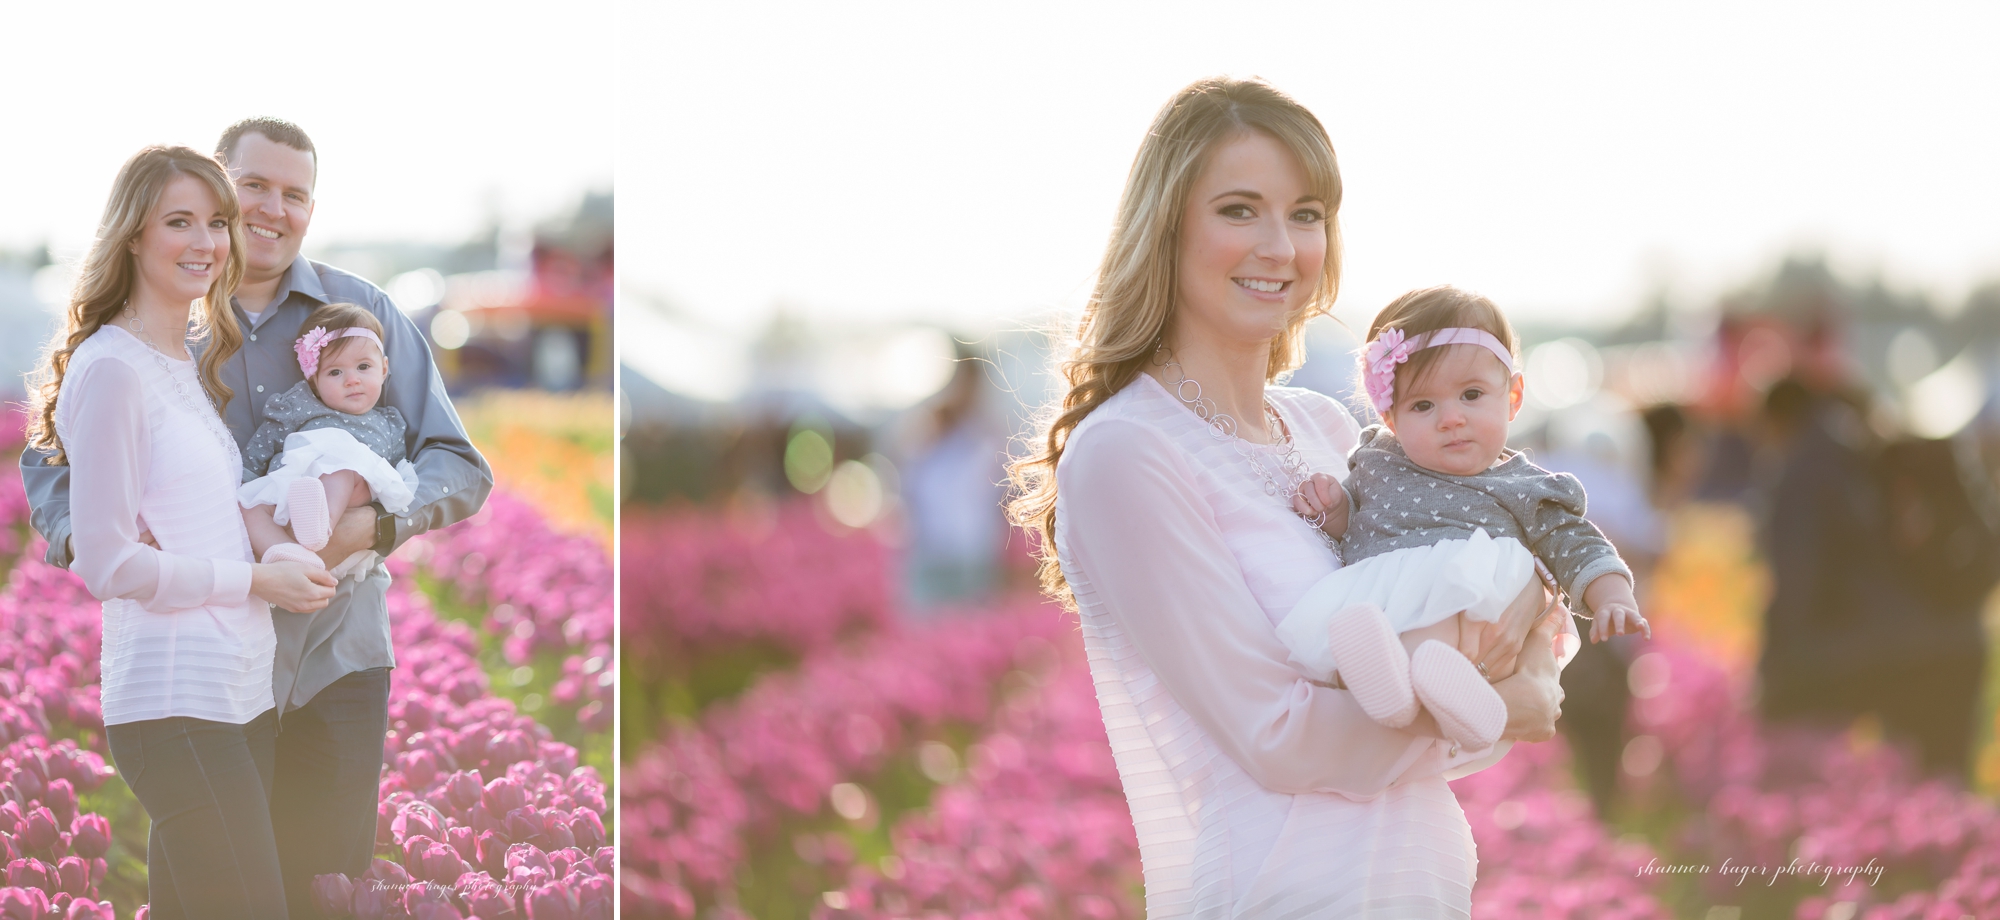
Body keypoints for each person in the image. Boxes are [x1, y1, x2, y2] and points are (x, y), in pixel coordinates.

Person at [1008, 77, 1569, 918]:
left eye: (1307, 214)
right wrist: (1494, 713)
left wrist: (1526, 668)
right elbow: (1274, 737)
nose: (1281, 245)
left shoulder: (1329, 432)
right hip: (1280, 893)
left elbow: (1476, 602)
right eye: (1240, 210)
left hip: (1420, 885)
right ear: (1167, 226)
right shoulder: (1128, 452)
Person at [21, 118, 492, 920]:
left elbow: (458, 462)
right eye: (253, 188)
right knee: (211, 898)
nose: (272, 210)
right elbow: (57, 456)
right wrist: (100, 538)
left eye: (295, 194)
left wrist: (367, 529)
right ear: (216, 189)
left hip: (334, 655)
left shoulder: (360, 313)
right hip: (202, 663)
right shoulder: (170, 316)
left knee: (322, 892)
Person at [24, 145, 339, 918]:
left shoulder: (179, 362)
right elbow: (106, 562)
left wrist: (280, 541)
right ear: (132, 235)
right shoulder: (113, 371)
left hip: (235, 694)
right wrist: (256, 580)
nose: (206, 242)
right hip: (175, 703)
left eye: (217, 223)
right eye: (179, 222)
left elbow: (197, 519)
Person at [1275, 286, 1645, 755]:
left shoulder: (1524, 485)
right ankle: (1404, 693)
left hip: (1475, 607)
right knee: (1379, 630)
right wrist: (1334, 508)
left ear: (1512, 397)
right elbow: (1356, 518)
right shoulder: (1377, 461)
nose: (1450, 418)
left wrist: (1613, 594)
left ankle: (1459, 695)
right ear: (1390, 417)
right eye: (1423, 405)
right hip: (1391, 592)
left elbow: (1576, 543)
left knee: (1444, 619)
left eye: (1471, 395)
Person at [239, 302, 419, 580]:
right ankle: (284, 551)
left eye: (363, 367)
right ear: (314, 381)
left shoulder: (389, 423)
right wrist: (246, 479)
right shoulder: (299, 404)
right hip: (293, 486)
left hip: (349, 495)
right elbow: (264, 444)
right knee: (248, 506)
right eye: (335, 372)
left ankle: (319, 530)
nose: (352, 380)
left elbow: (391, 474)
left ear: (383, 369)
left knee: (340, 468)